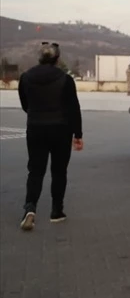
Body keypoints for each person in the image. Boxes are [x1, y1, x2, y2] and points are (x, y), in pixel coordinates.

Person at [17, 43, 84, 231]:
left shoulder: (26, 78)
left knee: (36, 170)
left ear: (40, 58)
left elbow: (25, 104)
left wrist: (36, 114)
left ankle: (30, 208)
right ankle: (56, 211)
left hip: (35, 128)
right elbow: (73, 109)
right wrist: (77, 134)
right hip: (61, 130)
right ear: (57, 59)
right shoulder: (66, 80)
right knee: (59, 171)